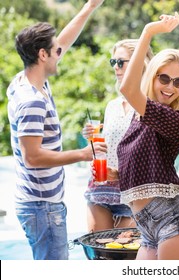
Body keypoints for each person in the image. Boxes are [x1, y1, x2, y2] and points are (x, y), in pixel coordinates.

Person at [6, 0, 106, 260]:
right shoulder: (32, 101)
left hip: (40, 204)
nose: (59, 52)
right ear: (42, 54)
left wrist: (89, 7)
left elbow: (64, 40)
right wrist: (84, 154)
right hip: (42, 207)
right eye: (55, 50)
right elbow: (33, 157)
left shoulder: (25, 79)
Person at [111, 12, 179, 260]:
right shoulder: (138, 117)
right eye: (164, 78)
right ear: (152, 75)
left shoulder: (174, 118)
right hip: (146, 225)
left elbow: (127, 88)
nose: (170, 87)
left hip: (175, 221)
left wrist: (148, 32)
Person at [82, 39, 153, 232]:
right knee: (100, 255)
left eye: (121, 62)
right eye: (113, 62)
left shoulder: (150, 105)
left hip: (133, 194)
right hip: (101, 188)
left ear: (140, 62)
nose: (116, 67)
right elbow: (108, 147)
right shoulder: (112, 106)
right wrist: (92, 140)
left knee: (124, 256)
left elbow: (153, 157)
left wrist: (120, 173)